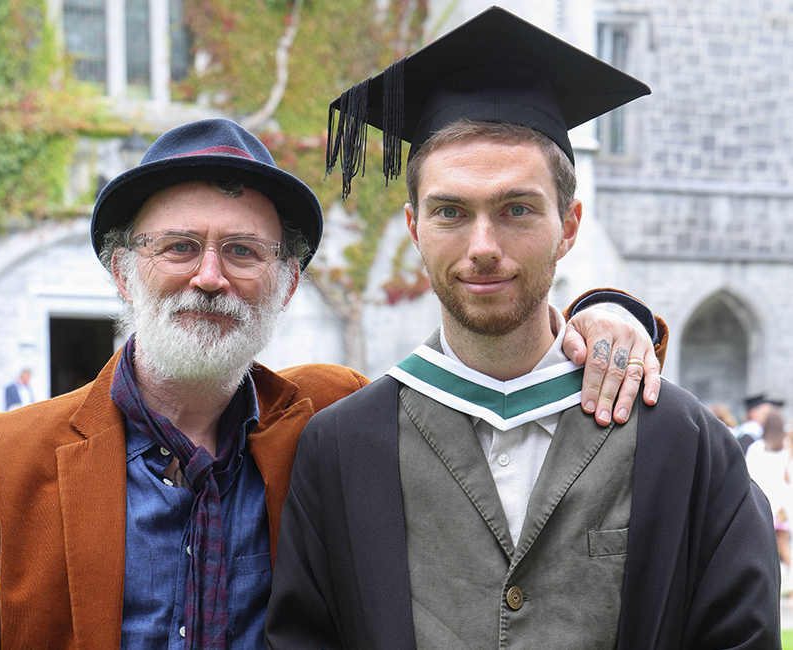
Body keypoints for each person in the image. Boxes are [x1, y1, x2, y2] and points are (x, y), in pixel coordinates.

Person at [0, 118, 663, 649]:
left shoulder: (330, 420)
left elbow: (486, 379)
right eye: (179, 247)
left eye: (243, 251)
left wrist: (605, 313)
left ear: (287, 282)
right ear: (121, 270)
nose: (210, 276)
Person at [266, 8, 779, 649]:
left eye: (517, 209)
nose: (483, 246)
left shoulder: (680, 442)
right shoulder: (343, 450)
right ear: (414, 228)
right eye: (450, 211)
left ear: (569, 226)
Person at [746, 408, 793, 592]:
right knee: (784, 548)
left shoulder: (757, 448)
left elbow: (749, 475)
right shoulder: (787, 448)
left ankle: (766, 590)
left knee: (763, 549)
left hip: (763, 504)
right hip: (783, 507)